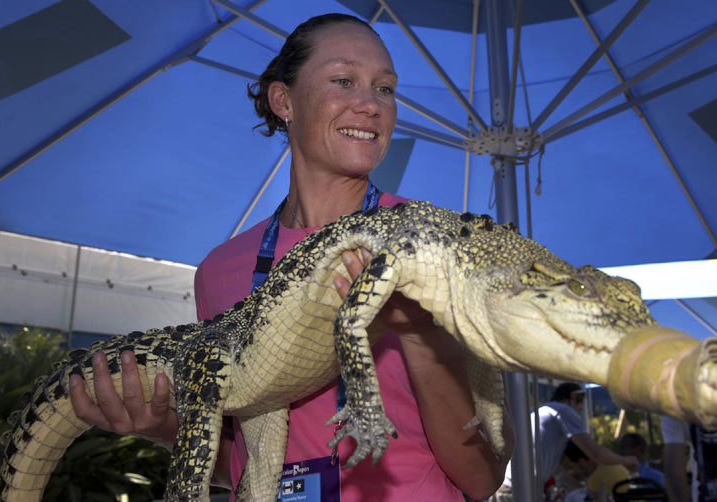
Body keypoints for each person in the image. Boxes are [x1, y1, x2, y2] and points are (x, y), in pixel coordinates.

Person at [69, 12, 513, 501]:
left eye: (384, 89)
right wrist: (164, 427)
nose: (370, 105)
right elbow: (241, 464)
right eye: (344, 81)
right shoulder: (221, 272)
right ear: (284, 101)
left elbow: (482, 477)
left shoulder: (432, 244)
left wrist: (422, 334)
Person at [497, 383, 638, 500]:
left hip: (510, 488)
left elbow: (557, 471)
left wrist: (580, 487)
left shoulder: (545, 413)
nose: (579, 411)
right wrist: (626, 460)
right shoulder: (563, 411)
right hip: (518, 490)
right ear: (572, 398)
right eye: (579, 405)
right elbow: (595, 453)